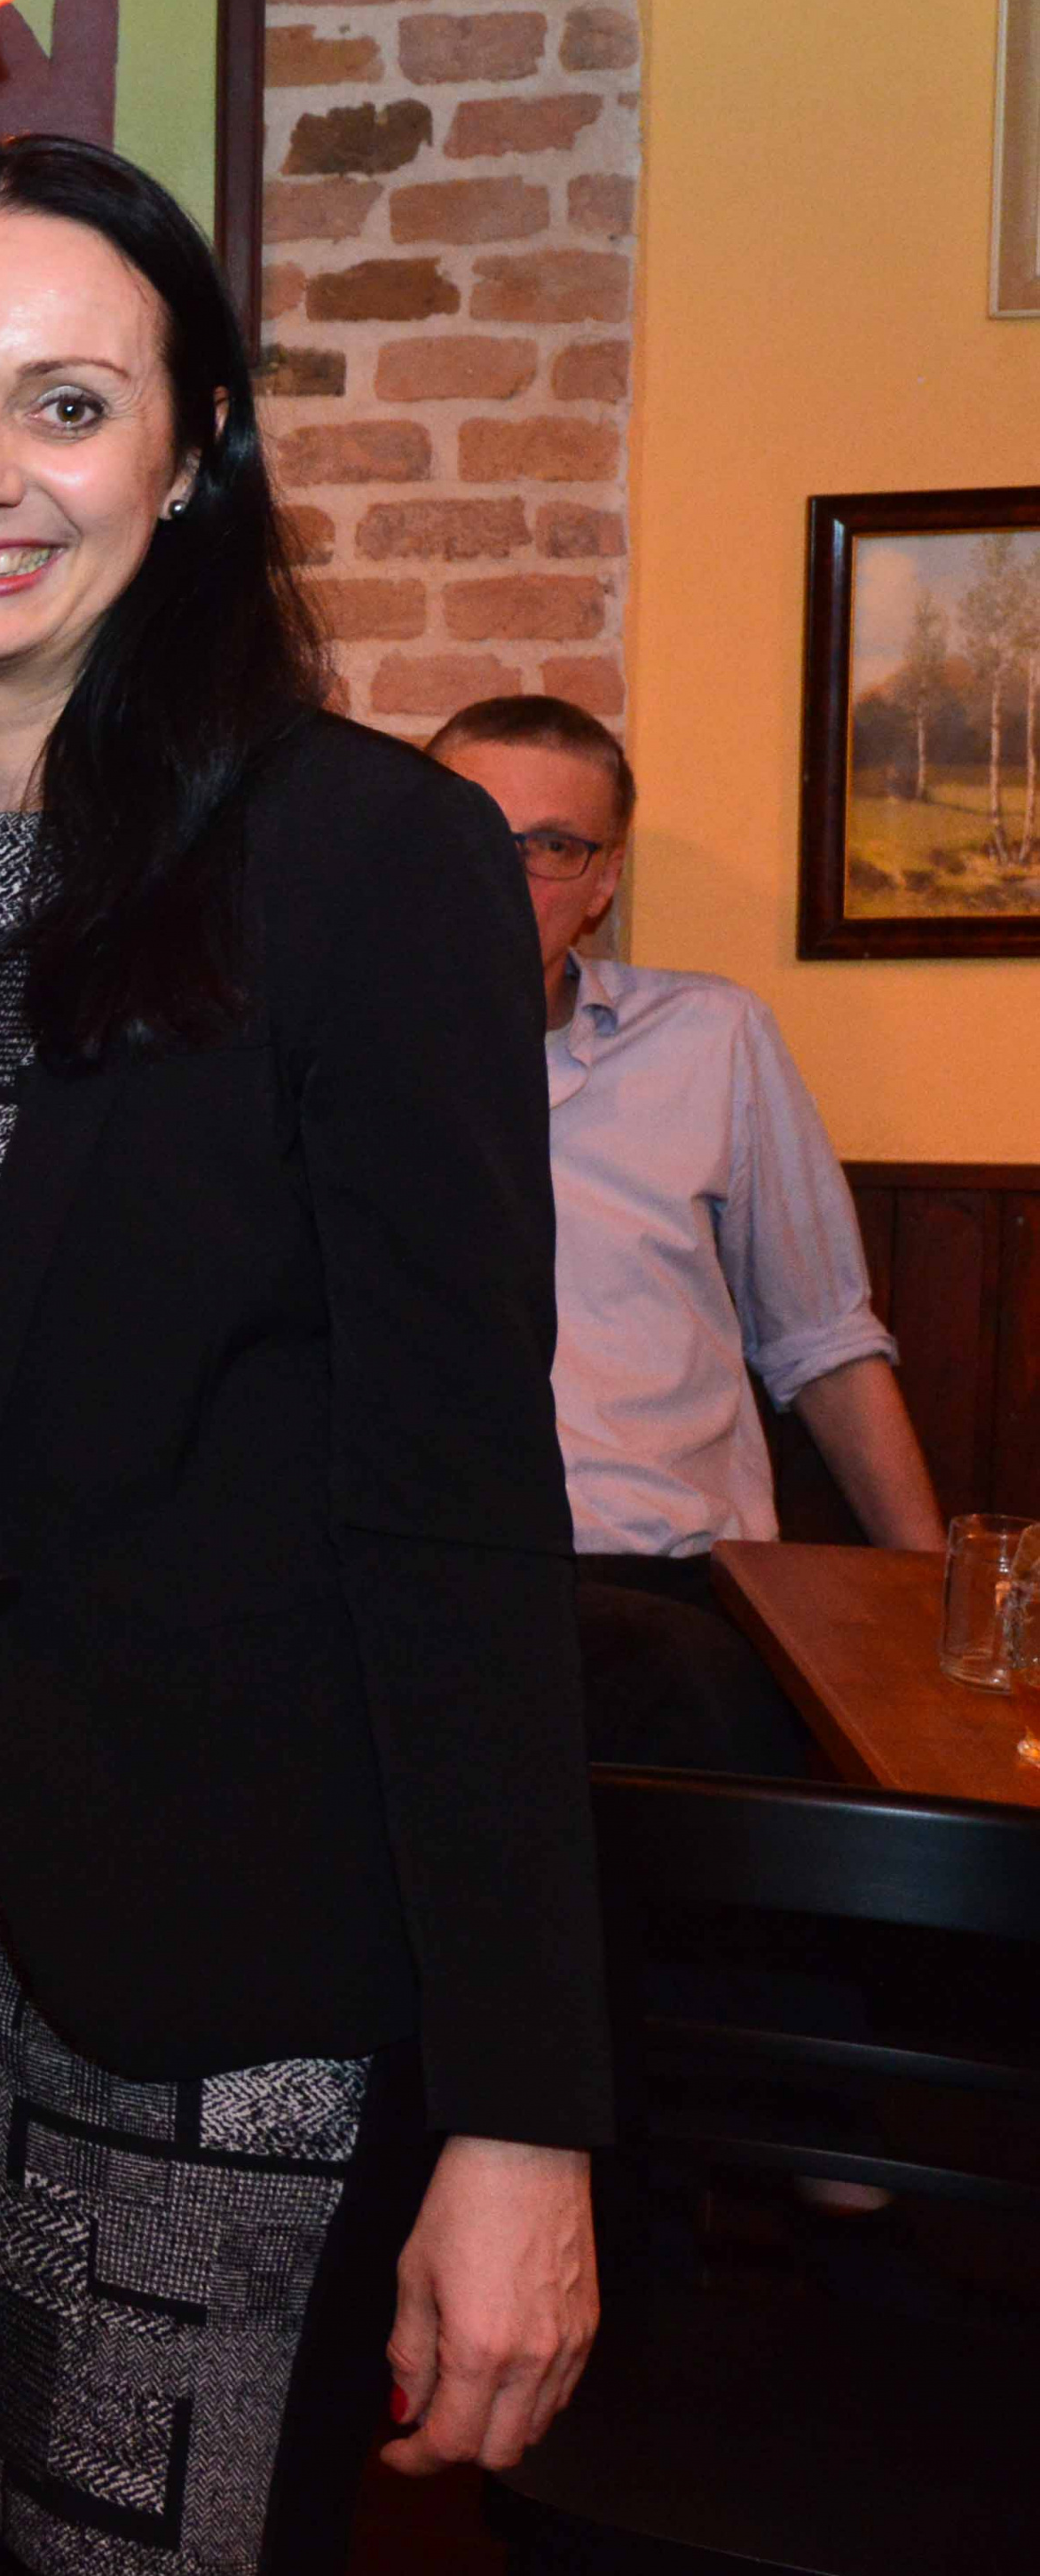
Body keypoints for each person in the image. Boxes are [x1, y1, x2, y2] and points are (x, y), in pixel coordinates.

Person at [0, 135, 610, 2576]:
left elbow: (456, 1509)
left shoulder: (363, 859)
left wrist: (523, 2122)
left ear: (188, 452)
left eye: (62, 402)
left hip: (202, 1978)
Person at [428, 692, 942, 1774]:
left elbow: (822, 1340)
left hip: (676, 1582)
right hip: (435, 1580)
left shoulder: (713, 1038)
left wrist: (932, 1603)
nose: (501, 875)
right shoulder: (322, 1062)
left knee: (680, 1690)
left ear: (603, 881)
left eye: (550, 847)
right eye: (469, 831)